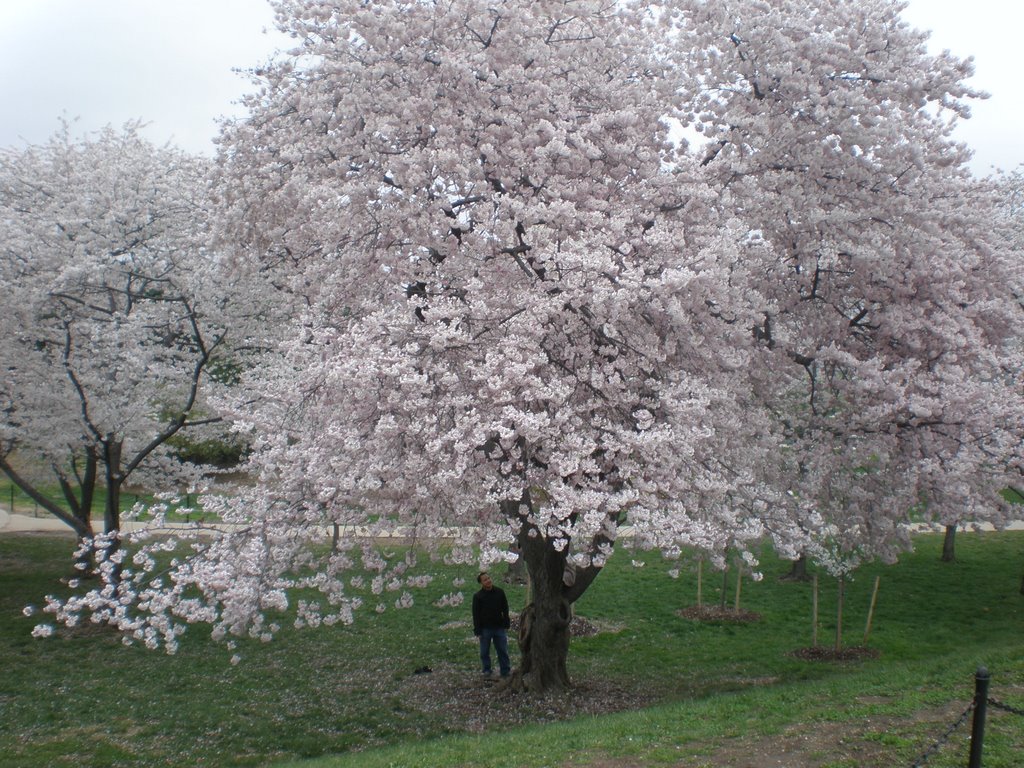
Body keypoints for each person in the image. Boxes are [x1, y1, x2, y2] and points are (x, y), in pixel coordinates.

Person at [471, 571, 511, 678]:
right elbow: (476, 614)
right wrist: (477, 629)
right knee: (484, 652)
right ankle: (487, 670)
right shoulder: (478, 597)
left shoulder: (499, 592)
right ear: (481, 583)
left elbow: (505, 608)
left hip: (499, 626)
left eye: (488, 578)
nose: (488, 581)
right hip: (485, 629)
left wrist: (506, 622)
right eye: (485, 580)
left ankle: (505, 670)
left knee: (502, 650)